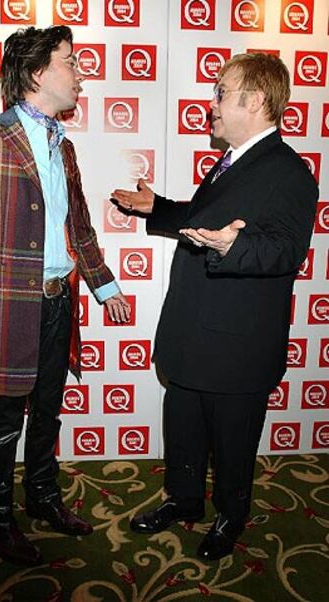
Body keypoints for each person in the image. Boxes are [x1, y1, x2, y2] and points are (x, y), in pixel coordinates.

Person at [0, 25, 130, 566]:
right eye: (72, 61)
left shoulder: (64, 147)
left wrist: (104, 284)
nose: (81, 72)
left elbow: (78, 228)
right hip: (2, 307)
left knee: (47, 411)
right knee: (2, 419)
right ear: (40, 72)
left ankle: (43, 499)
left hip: (57, 301)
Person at [112, 53, 317, 561]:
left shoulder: (289, 171)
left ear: (256, 100)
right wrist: (157, 209)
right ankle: (184, 502)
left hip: (236, 346)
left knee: (232, 444)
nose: (212, 102)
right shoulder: (232, 162)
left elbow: (285, 249)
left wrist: (234, 248)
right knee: (182, 428)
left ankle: (230, 517)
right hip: (191, 335)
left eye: (221, 92)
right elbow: (206, 219)